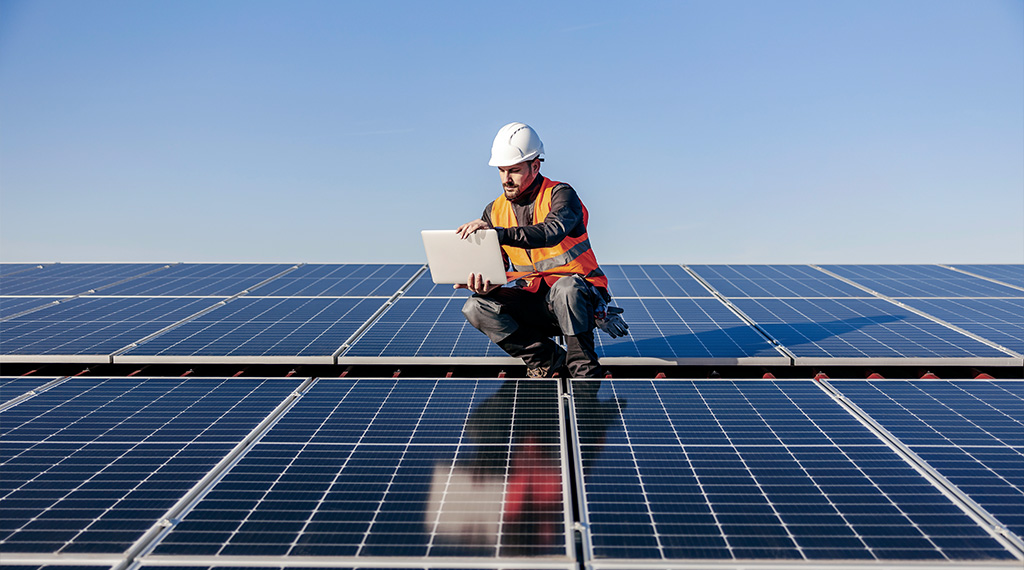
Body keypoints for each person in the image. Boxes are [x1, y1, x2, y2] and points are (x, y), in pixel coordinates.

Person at [456, 122, 628, 379]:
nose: (506, 179)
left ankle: (583, 371)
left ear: (535, 166)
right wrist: (486, 284)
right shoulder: (494, 210)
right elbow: (499, 268)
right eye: (502, 171)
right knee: (475, 307)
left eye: (514, 170)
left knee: (567, 289)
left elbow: (551, 232)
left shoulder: (561, 195)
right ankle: (548, 360)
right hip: (536, 301)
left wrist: (499, 233)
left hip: (580, 297)